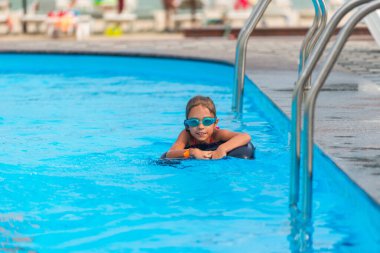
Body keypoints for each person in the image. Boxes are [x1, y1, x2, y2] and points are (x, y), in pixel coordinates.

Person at [165, 95, 251, 160]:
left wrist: (222, 149)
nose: (200, 127)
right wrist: (192, 152)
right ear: (187, 125)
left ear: (215, 123)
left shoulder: (218, 134)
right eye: (194, 122)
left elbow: (245, 136)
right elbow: (170, 153)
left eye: (207, 121)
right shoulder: (186, 135)